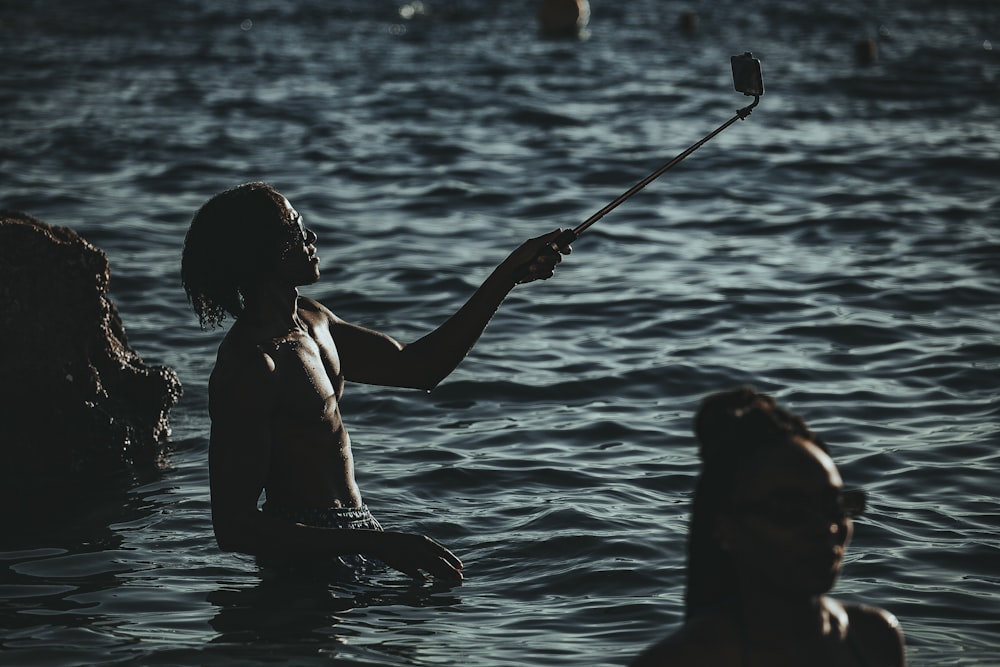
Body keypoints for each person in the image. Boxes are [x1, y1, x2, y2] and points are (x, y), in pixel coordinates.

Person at [181, 181, 570, 582]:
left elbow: (420, 367)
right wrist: (379, 545)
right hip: (302, 572)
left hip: (360, 540)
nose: (311, 236)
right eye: (295, 228)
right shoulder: (251, 365)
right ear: (263, 251)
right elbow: (234, 527)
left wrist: (508, 275)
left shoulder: (314, 322)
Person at [630, 386, 906, 666]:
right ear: (728, 529)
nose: (826, 527)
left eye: (833, 506)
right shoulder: (680, 661)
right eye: (790, 511)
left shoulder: (875, 637)